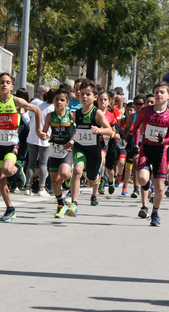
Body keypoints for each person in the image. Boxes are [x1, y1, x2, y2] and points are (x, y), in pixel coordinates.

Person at [0, 72, 46, 222]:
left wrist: (38, 130)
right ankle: (10, 208)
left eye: (7, 82)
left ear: (12, 86)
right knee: (1, 178)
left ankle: (17, 170)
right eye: (1, 82)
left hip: (12, 142)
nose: (4, 84)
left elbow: (36, 110)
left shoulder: (16, 101)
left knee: (7, 170)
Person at [63, 80, 113, 216]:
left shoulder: (97, 113)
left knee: (91, 180)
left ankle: (97, 174)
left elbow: (110, 131)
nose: (84, 97)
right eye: (82, 94)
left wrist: (99, 130)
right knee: (77, 170)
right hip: (80, 148)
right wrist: (72, 141)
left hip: (94, 151)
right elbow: (77, 131)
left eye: (88, 94)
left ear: (95, 97)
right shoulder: (76, 113)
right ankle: (74, 203)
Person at [132, 82, 169, 226]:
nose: (159, 95)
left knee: (160, 188)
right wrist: (136, 145)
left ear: (168, 96)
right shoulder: (145, 111)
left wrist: (163, 140)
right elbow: (136, 127)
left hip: (160, 153)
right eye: (156, 92)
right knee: (142, 178)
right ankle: (146, 188)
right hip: (146, 149)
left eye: (162, 92)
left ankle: (155, 213)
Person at [42, 87, 75, 218]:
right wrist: (44, 135)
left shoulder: (71, 115)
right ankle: (60, 204)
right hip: (54, 149)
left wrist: (72, 139)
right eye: (56, 100)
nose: (59, 102)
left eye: (62, 100)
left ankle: (70, 179)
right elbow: (44, 131)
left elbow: (79, 130)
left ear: (67, 102)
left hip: (67, 149)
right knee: (55, 181)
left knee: (65, 174)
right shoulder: (50, 116)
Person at [23, 87, 54, 197]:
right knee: (43, 163)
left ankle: (28, 187)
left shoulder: (38, 104)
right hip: (44, 136)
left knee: (31, 162)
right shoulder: (53, 108)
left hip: (32, 135)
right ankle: (41, 187)